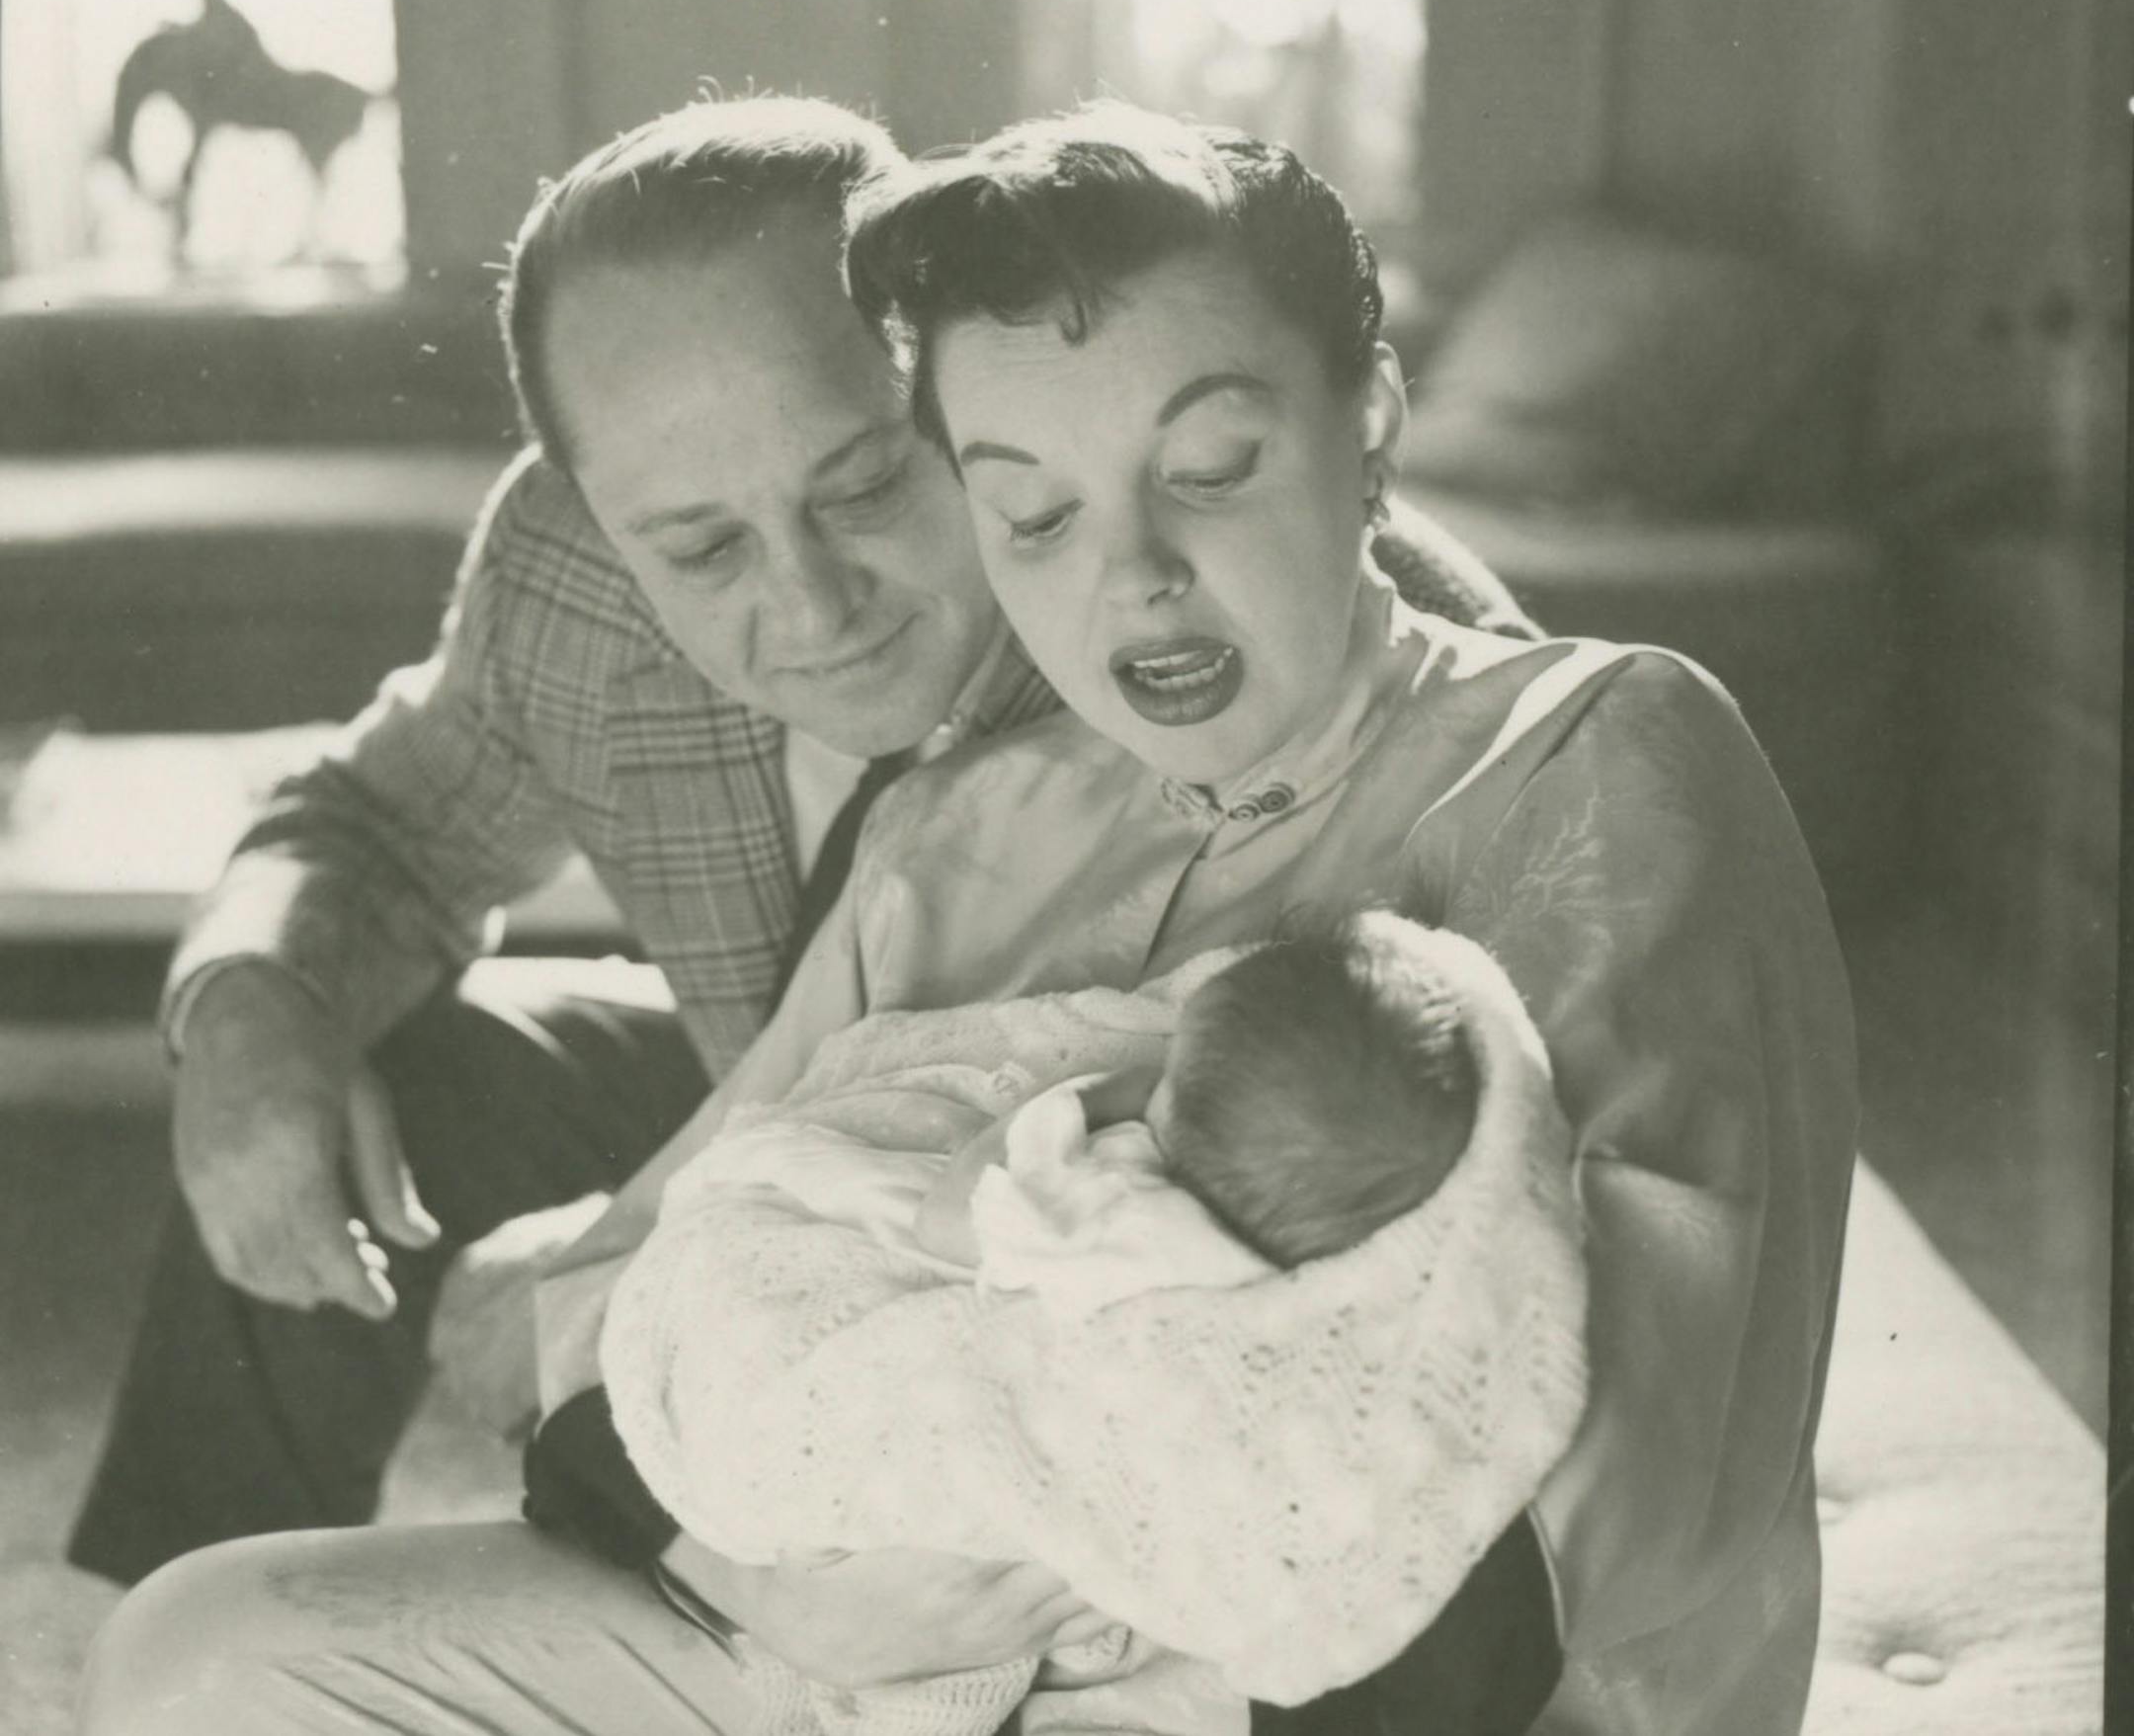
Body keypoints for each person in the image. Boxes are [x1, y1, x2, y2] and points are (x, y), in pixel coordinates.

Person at [78, 103, 1853, 1736]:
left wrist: (1012, 1571)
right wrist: (772, 1572)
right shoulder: (959, 825)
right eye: (1031, 509)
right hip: (852, 1633)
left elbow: (1604, 1469)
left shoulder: (1596, 746)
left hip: (1307, 1679)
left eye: (1213, 467)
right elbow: (636, 1289)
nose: (1130, 574)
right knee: (195, 1655)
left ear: (1368, 419)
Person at [594, 913, 1583, 1736]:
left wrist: (1076, 1098)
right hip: (1049, 1611)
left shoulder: (1109, 1198)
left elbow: (950, 1218)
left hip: (905, 1509)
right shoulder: (1286, 1287)